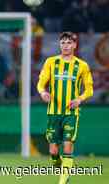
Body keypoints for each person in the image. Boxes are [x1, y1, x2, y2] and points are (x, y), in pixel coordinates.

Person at [37, 32, 93, 184]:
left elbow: (89, 89)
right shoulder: (51, 62)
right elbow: (41, 83)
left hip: (71, 113)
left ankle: (62, 181)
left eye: (69, 43)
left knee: (68, 146)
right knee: (53, 151)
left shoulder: (81, 65)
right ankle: (62, 168)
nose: (66, 46)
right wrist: (43, 92)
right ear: (59, 45)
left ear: (75, 45)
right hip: (53, 112)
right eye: (63, 43)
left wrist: (79, 99)